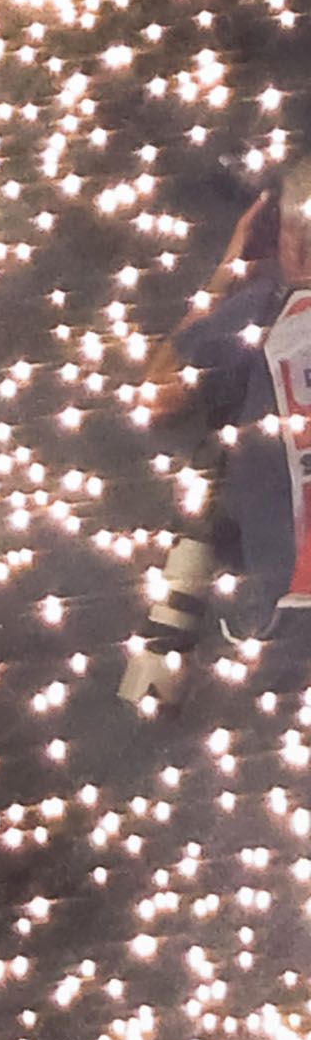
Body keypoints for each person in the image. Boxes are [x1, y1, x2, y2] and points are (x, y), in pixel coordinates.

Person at [127, 161, 311, 709]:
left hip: (282, 621)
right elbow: (158, 396)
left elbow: (156, 392)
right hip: (281, 616)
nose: (300, 248)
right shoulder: (262, 311)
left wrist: (229, 269)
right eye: (293, 229)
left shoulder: (266, 311)